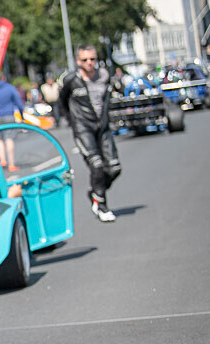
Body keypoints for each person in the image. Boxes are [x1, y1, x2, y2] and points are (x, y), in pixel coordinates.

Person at [60, 44, 121, 222]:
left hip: (102, 126)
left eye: (92, 59)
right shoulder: (71, 80)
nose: (89, 63)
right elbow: (62, 102)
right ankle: (101, 205)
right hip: (83, 128)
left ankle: (96, 192)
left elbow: (112, 94)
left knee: (115, 167)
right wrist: (72, 122)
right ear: (78, 61)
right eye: (85, 60)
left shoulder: (104, 76)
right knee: (97, 165)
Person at [0, 72, 25, 172]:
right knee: (9, 138)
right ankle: (11, 163)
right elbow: (19, 103)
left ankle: (2, 159)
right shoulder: (10, 88)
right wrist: (22, 115)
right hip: (8, 116)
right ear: (4, 78)